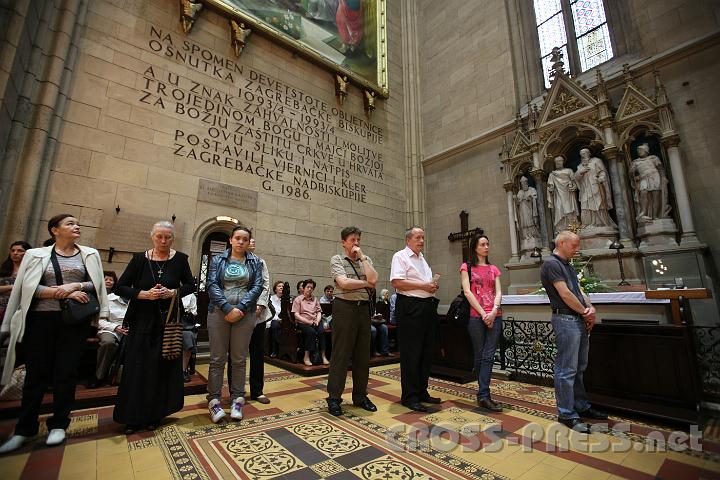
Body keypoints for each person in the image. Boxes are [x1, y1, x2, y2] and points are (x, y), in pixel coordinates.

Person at [0, 214, 109, 453]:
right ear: (54, 230)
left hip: (73, 322)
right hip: (40, 320)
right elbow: (26, 287)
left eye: (77, 222)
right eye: (70, 223)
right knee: (36, 374)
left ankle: (59, 424)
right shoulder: (35, 255)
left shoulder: (88, 254)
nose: (76, 225)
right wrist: (62, 293)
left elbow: (97, 284)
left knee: (66, 372)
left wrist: (76, 286)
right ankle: (24, 428)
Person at [113, 220, 195, 433]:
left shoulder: (180, 260)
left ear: (173, 238)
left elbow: (190, 285)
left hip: (166, 322)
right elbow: (120, 286)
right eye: (159, 236)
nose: (163, 240)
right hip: (141, 320)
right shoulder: (139, 259)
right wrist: (144, 295)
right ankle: (132, 416)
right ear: (152, 237)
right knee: (137, 367)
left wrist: (173, 293)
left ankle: (155, 414)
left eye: (167, 237)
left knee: (161, 367)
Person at [540, 231, 607, 432]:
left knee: (579, 366)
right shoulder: (551, 264)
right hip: (566, 319)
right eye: (574, 246)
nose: (577, 250)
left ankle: (580, 406)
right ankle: (566, 413)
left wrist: (590, 308)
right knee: (566, 369)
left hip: (577, 318)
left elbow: (578, 290)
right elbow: (565, 293)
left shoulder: (567, 265)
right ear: (561, 243)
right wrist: (585, 312)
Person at [205, 225, 263, 423]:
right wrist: (227, 308)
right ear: (231, 240)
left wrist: (241, 308)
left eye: (244, 239)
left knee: (239, 359)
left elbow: (257, 286)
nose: (240, 242)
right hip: (218, 313)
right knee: (217, 359)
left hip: (244, 314)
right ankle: (214, 401)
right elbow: (211, 284)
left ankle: (237, 400)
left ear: (248, 243)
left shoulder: (255, 262)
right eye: (237, 238)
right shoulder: (218, 259)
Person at [326, 226, 378, 416]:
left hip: (363, 309)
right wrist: (366, 283)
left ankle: (360, 396)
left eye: (358, 240)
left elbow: (375, 278)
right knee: (341, 354)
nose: (356, 244)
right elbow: (344, 283)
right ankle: (334, 398)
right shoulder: (337, 259)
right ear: (343, 242)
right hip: (344, 308)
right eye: (352, 240)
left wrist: (363, 258)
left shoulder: (366, 260)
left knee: (362, 356)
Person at [390, 227, 441, 412]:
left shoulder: (422, 259)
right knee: (412, 353)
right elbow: (396, 282)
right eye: (418, 237)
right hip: (410, 307)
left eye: (423, 238)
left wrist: (431, 286)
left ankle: (422, 391)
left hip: (426, 307)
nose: (421, 241)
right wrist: (423, 285)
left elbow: (424, 284)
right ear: (408, 240)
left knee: (426, 352)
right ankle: (410, 396)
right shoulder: (400, 257)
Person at [461, 234, 503, 412]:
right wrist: (483, 313)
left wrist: (493, 311)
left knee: (489, 354)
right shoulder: (467, 267)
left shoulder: (494, 268)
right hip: (476, 316)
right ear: (475, 248)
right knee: (480, 355)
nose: (486, 247)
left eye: (488, 244)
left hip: (495, 314)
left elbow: (499, 291)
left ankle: (483, 394)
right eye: (483, 244)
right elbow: (467, 292)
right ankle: (484, 394)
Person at [91, 270, 128, 388]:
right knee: (108, 342)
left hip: (128, 332)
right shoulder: (108, 299)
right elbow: (100, 321)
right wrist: (115, 327)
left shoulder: (137, 300)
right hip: (110, 329)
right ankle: (99, 376)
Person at [247, 238, 271, 404]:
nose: (253, 242)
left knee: (257, 353)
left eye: (254, 240)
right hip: (238, 313)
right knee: (236, 355)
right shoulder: (231, 261)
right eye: (250, 240)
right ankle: (236, 391)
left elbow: (265, 284)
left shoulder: (260, 262)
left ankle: (257, 390)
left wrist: (260, 305)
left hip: (258, 314)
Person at [574, 148, 615, 228]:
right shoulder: (580, 166)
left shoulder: (596, 161)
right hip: (585, 189)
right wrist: (580, 172)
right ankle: (588, 224)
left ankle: (601, 224)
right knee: (585, 206)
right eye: (581, 154)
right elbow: (576, 178)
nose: (583, 155)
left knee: (598, 204)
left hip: (595, 186)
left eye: (585, 153)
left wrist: (601, 178)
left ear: (589, 153)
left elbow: (602, 172)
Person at [630, 143, 670, 222]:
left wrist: (663, 177)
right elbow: (631, 174)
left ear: (646, 151)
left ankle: (655, 216)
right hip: (643, 178)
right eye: (638, 150)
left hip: (655, 177)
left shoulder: (653, 158)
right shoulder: (635, 162)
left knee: (656, 195)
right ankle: (644, 212)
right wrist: (633, 175)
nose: (639, 151)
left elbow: (660, 169)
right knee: (643, 193)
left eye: (641, 150)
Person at [292, 279, 328, 366]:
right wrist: (308, 322)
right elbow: (296, 315)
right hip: (302, 322)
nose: (309, 289)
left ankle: (323, 356)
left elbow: (319, 312)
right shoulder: (298, 299)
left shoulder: (315, 299)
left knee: (321, 331)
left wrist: (317, 320)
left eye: (311, 288)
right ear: (303, 288)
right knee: (311, 332)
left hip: (314, 321)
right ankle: (306, 356)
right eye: (308, 287)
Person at [0, 241, 32, 325]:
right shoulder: (3, 269)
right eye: (13, 250)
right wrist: (13, 287)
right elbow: (19, 289)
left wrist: (3, 289)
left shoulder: (30, 271)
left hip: (18, 309)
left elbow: (27, 291)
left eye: (20, 251)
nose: (15, 253)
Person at [547, 155, 580, 233]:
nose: (558, 163)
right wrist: (550, 189)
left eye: (560, 161)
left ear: (563, 161)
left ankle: (573, 228)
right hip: (558, 194)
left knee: (570, 210)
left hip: (568, 194)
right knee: (559, 209)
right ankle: (561, 229)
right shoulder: (552, 174)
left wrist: (574, 186)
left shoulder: (569, 171)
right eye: (556, 161)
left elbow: (575, 182)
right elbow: (550, 185)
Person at [181, 292, 198, 382]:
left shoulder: (191, 296)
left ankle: (183, 370)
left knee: (188, 337)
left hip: (185, 326)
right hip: (168, 324)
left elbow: (193, 313)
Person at [269, 281, 283, 357]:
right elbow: (270, 312)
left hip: (284, 321)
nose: (281, 287)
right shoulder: (271, 298)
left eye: (282, 286)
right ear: (275, 289)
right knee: (275, 325)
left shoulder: (286, 299)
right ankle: (275, 349)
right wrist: (278, 319)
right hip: (274, 319)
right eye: (279, 286)